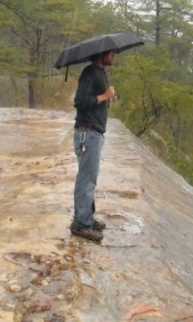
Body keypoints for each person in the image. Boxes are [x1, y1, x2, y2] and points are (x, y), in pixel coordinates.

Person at [70, 49, 116, 242]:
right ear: (101, 54)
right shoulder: (90, 72)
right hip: (88, 134)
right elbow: (79, 101)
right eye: (111, 53)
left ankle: (86, 216)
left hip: (92, 133)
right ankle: (81, 224)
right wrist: (104, 96)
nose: (114, 55)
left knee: (89, 177)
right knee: (87, 179)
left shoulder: (99, 72)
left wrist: (106, 95)